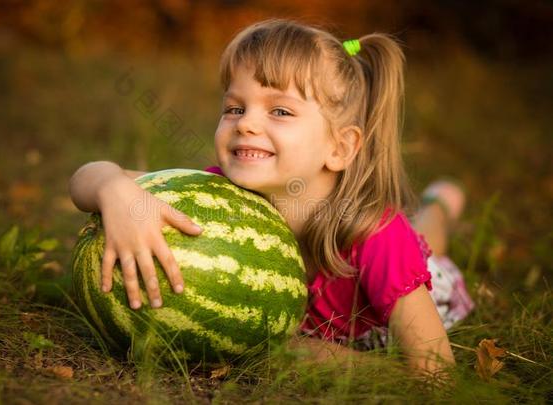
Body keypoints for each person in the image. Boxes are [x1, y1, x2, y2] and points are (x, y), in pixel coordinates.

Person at [69, 19, 474, 376]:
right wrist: (115, 191)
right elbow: (87, 180)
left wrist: (321, 357)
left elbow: (434, 375)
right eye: (234, 108)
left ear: (340, 148)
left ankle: (442, 199)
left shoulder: (379, 238)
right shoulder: (221, 192)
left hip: (421, 286)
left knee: (428, 240)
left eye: (279, 111)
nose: (246, 124)